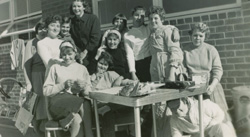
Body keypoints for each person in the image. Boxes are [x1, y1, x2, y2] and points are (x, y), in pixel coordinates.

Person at [43, 40, 92, 137]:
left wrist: (83, 87)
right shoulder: (55, 67)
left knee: (77, 120)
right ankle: (90, 134)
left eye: (69, 54)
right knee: (84, 103)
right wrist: (62, 85)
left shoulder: (82, 68)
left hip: (76, 102)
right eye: (64, 54)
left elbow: (89, 92)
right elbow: (46, 91)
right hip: (58, 102)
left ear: (75, 53)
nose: (67, 57)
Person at [182, 22, 230, 120]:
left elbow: (218, 70)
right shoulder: (185, 51)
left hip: (210, 87)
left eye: (201, 36)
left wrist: (212, 86)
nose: (197, 38)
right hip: (192, 88)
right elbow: (183, 70)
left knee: (218, 118)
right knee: (197, 118)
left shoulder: (211, 50)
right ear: (190, 36)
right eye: (195, 35)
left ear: (205, 36)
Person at [91, 51, 136, 137]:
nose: (102, 67)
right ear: (96, 63)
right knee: (108, 113)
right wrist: (96, 79)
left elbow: (123, 82)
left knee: (129, 102)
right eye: (101, 63)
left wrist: (128, 81)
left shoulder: (110, 74)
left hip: (112, 104)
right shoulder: (91, 76)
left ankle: (133, 134)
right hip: (98, 105)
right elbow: (89, 93)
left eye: (105, 65)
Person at [168, 97, 237, 137]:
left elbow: (220, 114)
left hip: (212, 130)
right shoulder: (174, 120)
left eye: (178, 106)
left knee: (223, 127)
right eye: (172, 108)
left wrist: (210, 129)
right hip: (197, 136)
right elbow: (176, 135)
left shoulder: (203, 105)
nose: (176, 111)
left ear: (185, 101)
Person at [23, 21, 47, 136]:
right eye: (40, 28)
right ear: (36, 30)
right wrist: (28, 83)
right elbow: (26, 65)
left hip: (48, 76)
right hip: (36, 77)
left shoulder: (48, 42)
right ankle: (38, 131)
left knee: (46, 106)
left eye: (45, 28)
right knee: (36, 106)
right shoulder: (31, 43)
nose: (43, 30)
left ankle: (46, 130)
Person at [148, 6, 182, 82]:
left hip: (167, 66)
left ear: (162, 19)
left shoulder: (167, 31)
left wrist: (172, 72)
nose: (153, 21)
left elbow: (175, 51)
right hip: (155, 66)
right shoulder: (151, 32)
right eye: (150, 19)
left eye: (156, 18)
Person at [69, 0, 101, 68]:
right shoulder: (71, 21)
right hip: (78, 54)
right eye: (74, 6)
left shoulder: (93, 19)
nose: (76, 9)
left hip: (92, 54)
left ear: (84, 7)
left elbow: (95, 38)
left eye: (79, 6)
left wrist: (85, 52)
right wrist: (77, 53)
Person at [124, 6, 151, 82]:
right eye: (136, 15)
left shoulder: (148, 28)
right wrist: (133, 73)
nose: (139, 18)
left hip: (151, 62)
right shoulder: (127, 35)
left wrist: (174, 29)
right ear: (132, 16)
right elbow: (130, 55)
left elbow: (161, 27)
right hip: (138, 65)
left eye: (142, 16)